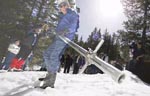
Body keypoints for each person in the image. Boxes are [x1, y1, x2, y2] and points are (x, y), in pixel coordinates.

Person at [39, 0, 79, 89]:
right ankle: (50, 74)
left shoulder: (72, 14)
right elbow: (57, 29)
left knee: (53, 56)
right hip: (58, 38)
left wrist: (66, 31)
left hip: (65, 38)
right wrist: (49, 30)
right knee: (46, 54)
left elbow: (73, 26)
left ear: (65, 6)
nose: (59, 8)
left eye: (60, 6)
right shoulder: (62, 16)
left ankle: (50, 82)